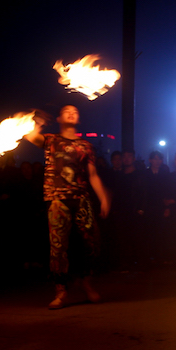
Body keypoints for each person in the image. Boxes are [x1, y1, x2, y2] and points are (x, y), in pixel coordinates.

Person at [25, 105, 111, 309]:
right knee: (58, 247)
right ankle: (60, 291)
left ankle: (86, 283)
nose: (72, 113)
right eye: (66, 111)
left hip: (81, 198)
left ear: (79, 119)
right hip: (56, 199)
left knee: (92, 242)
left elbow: (92, 175)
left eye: (75, 111)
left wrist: (103, 197)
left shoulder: (86, 146)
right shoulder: (51, 140)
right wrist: (35, 122)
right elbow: (31, 136)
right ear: (59, 118)